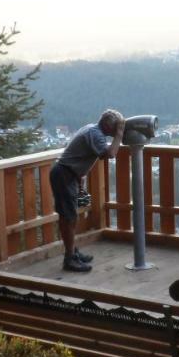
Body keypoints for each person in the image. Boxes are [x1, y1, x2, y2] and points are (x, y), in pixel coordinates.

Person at [50, 109, 125, 271]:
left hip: (68, 174)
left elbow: (79, 155)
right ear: (107, 125)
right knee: (68, 217)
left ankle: (72, 252)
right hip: (64, 175)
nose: (116, 130)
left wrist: (79, 176)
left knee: (70, 216)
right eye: (115, 127)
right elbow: (111, 154)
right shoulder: (96, 134)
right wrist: (119, 135)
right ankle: (69, 259)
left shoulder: (92, 129)